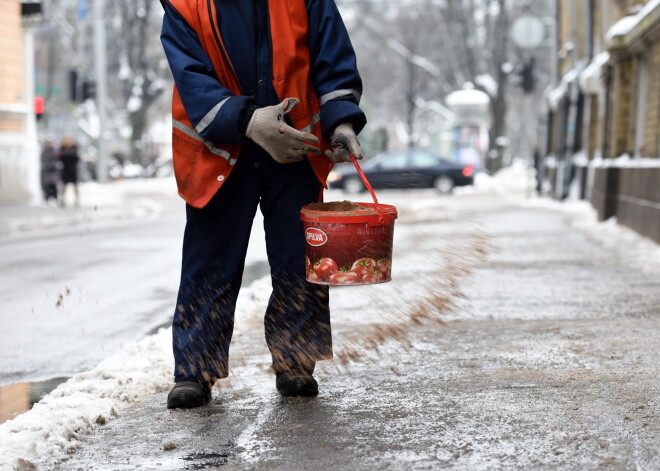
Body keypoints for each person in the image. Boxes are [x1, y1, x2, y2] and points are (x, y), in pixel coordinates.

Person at [160, 0, 366, 408]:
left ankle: (296, 361)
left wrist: (341, 119)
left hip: (294, 146)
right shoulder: (186, 5)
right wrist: (248, 121)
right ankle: (194, 371)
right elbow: (192, 78)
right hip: (221, 148)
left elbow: (331, 56)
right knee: (210, 259)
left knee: (297, 258)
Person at [58, 137, 80, 207]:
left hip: (73, 170)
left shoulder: (74, 148)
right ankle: (62, 199)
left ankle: (77, 200)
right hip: (65, 170)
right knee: (64, 186)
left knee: (75, 186)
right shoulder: (62, 149)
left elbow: (77, 159)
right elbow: (60, 159)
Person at [40, 139, 60, 204]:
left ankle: (55, 197)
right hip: (47, 170)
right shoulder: (44, 150)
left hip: (53, 170)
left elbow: (58, 157)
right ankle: (47, 198)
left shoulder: (55, 150)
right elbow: (42, 158)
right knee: (47, 186)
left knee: (54, 185)